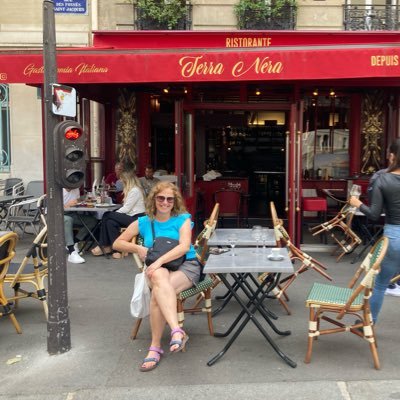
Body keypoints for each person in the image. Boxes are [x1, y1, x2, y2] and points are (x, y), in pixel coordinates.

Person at [113, 181, 201, 372]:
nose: (165, 202)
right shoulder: (144, 222)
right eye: (161, 198)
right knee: (159, 280)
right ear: (154, 199)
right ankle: (176, 331)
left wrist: (159, 261)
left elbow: (184, 246)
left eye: (170, 199)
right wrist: (138, 247)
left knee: (157, 294)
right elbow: (117, 244)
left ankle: (155, 347)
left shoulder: (182, 219)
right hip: (158, 270)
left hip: (186, 265)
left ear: (174, 201)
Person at [349, 138, 400, 322]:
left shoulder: (383, 179)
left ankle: (368, 324)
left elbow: (373, 214)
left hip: (395, 236)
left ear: (392, 155)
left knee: (380, 284)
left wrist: (357, 203)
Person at [91, 170, 146, 259]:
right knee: (110, 222)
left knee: (107, 215)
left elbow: (126, 209)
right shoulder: (132, 190)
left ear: (127, 180)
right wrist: (114, 215)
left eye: (123, 180)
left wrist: (113, 214)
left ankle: (103, 244)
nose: (121, 183)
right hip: (131, 217)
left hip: (137, 219)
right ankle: (116, 250)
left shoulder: (135, 190)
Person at [64, 188, 97, 264]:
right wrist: (67, 205)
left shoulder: (75, 189)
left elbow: (77, 200)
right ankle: (71, 251)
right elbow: (53, 208)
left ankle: (75, 241)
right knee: (68, 220)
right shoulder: (59, 189)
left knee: (92, 221)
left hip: (72, 213)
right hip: (57, 214)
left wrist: (80, 201)